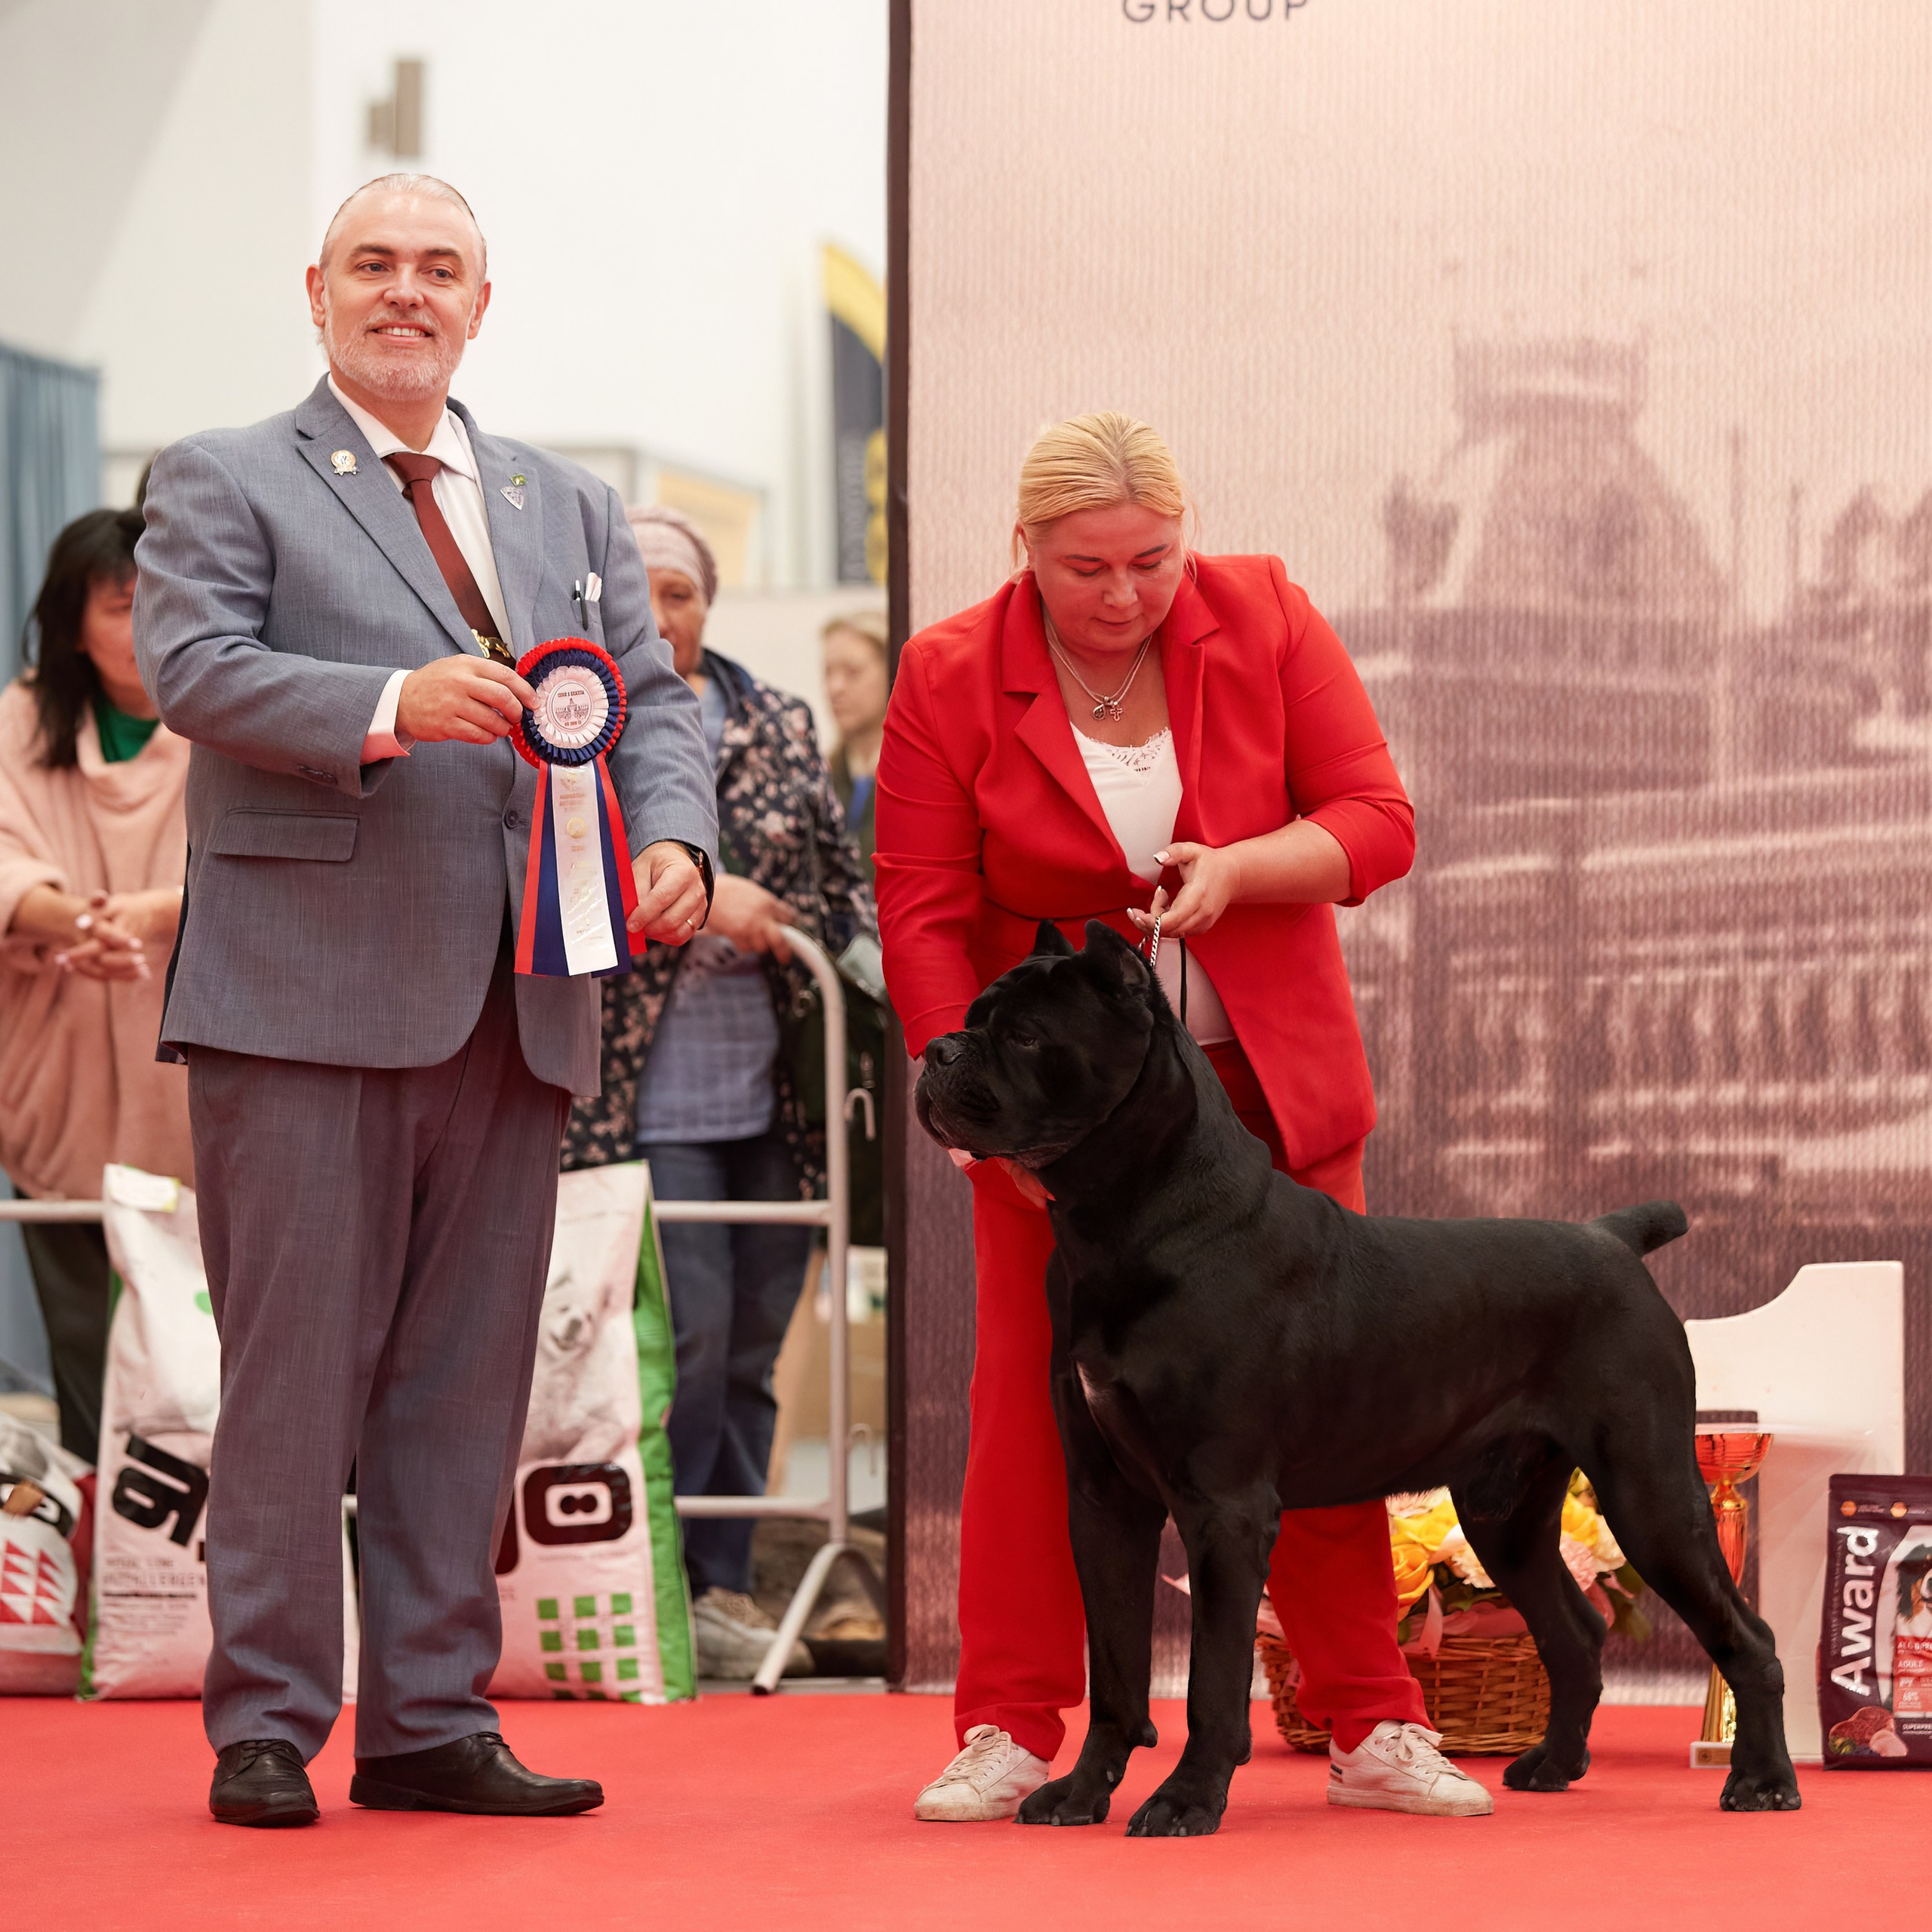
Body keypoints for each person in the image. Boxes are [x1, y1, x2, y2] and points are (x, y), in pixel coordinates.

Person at [133, 174, 718, 1828]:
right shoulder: (222, 474)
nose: (407, 291)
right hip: (298, 1001)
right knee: (290, 1377)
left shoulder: (569, 503)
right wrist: (391, 698)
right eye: (375, 265)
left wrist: (672, 832)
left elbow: (652, 707)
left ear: (482, 301)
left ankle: (429, 1717)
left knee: (466, 1387)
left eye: (438, 268)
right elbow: (191, 667)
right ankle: (263, 1720)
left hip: (517, 1000)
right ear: (314, 288)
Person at [875, 411, 1491, 1822]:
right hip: (1053, 1121)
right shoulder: (951, 671)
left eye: (1155, 559)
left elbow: (1377, 819)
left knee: (1325, 1406)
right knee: (1038, 1415)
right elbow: (916, 901)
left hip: (1261, 1096)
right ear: (1024, 549)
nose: (1127, 595)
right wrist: (963, 1098)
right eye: (1087, 568)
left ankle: (1369, 1721)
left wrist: (1250, 868)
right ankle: (1013, 1725)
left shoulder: (1265, 611)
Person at [563, 506, 875, 1680]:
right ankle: (661, 1580)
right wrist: (712, 893)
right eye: (636, 592)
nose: (662, 613)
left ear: (708, 605)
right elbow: (556, 891)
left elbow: (842, 892)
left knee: (753, 1350)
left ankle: (729, 1579)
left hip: (775, 1093)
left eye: (681, 593)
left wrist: (808, 930)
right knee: (680, 1344)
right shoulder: (569, 717)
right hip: (635, 1099)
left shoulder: (781, 721)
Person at [0, 507, 192, 1460]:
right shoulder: (23, 714)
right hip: (60, 1066)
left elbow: (281, 872)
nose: (146, 622)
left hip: (195, 1079)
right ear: (75, 621)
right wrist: (69, 917)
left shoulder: (227, 707)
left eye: (163, 597)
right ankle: (97, 1580)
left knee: (208, 1350)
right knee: (83, 1347)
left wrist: (157, 912)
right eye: (123, 605)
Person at [821, 607, 889, 878]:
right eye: (828, 673)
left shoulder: (916, 775)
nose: (835, 687)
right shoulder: (822, 774)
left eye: (852, 672)